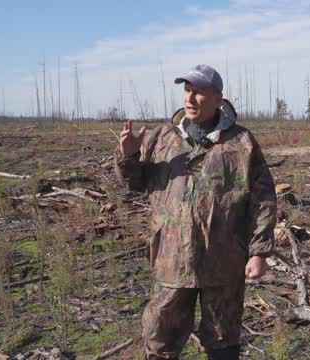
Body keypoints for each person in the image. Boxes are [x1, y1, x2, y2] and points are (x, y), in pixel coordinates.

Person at [114, 64, 277, 360]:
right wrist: (128, 157)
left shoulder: (241, 142)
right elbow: (136, 184)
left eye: (199, 92)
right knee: (160, 338)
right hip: (171, 258)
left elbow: (263, 199)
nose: (190, 98)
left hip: (223, 260)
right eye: (187, 90)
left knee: (222, 338)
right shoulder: (162, 138)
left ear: (218, 97)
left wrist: (259, 252)